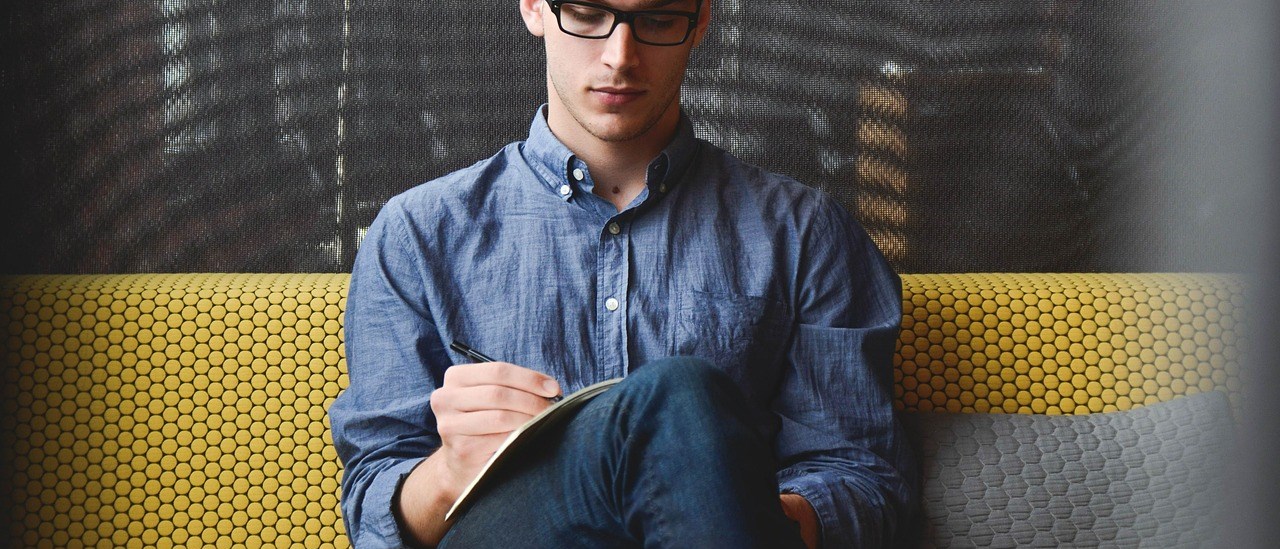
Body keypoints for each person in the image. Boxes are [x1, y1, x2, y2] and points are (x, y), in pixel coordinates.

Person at [329, 0, 917, 546]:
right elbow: (372, 500)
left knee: (679, 399)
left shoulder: (806, 233)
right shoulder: (419, 232)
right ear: (535, 6)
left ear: (701, 19)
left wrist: (720, 502)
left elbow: (862, 478)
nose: (620, 58)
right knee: (676, 394)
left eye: (658, 20)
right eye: (586, 14)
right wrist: (451, 470)